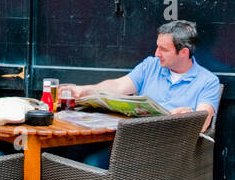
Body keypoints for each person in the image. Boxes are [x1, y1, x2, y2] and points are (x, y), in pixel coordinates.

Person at [65, 20, 220, 168]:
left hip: (171, 158)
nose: (157, 53)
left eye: (164, 49)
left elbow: (204, 120)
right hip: (134, 147)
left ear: (184, 52)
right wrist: (84, 90)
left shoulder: (207, 81)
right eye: (157, 47)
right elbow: (118, 86)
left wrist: (182, 116)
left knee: (95, 165)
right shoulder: (151, 65)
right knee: (91, 163)